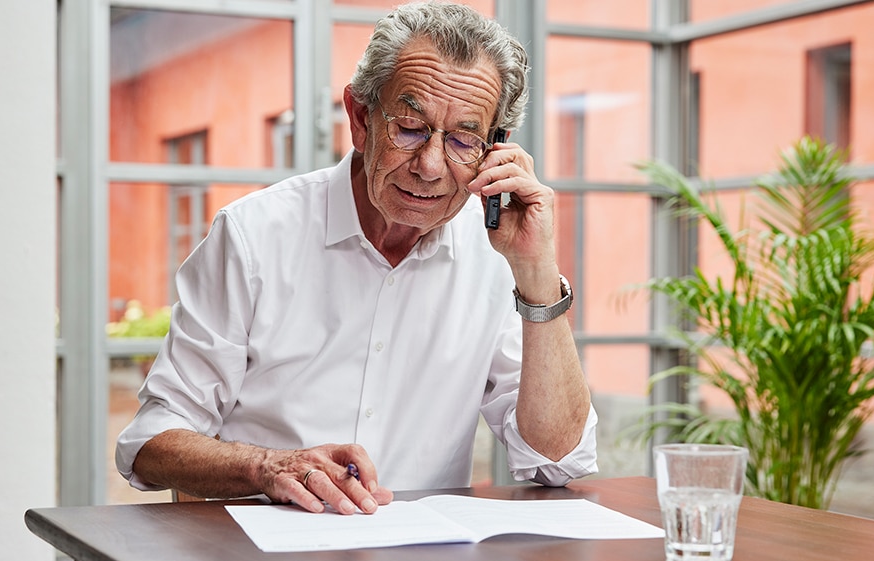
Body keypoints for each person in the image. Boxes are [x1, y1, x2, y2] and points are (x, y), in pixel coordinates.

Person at [116, 1, 598, 515]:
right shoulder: (253, 236)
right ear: (360, 117)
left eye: (464, 139)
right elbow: (150, 442)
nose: (431, 166)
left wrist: (537, 273)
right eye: (410, 127)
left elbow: (558, 462)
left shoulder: (496, 254)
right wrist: (267, 467)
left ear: (494, 150)